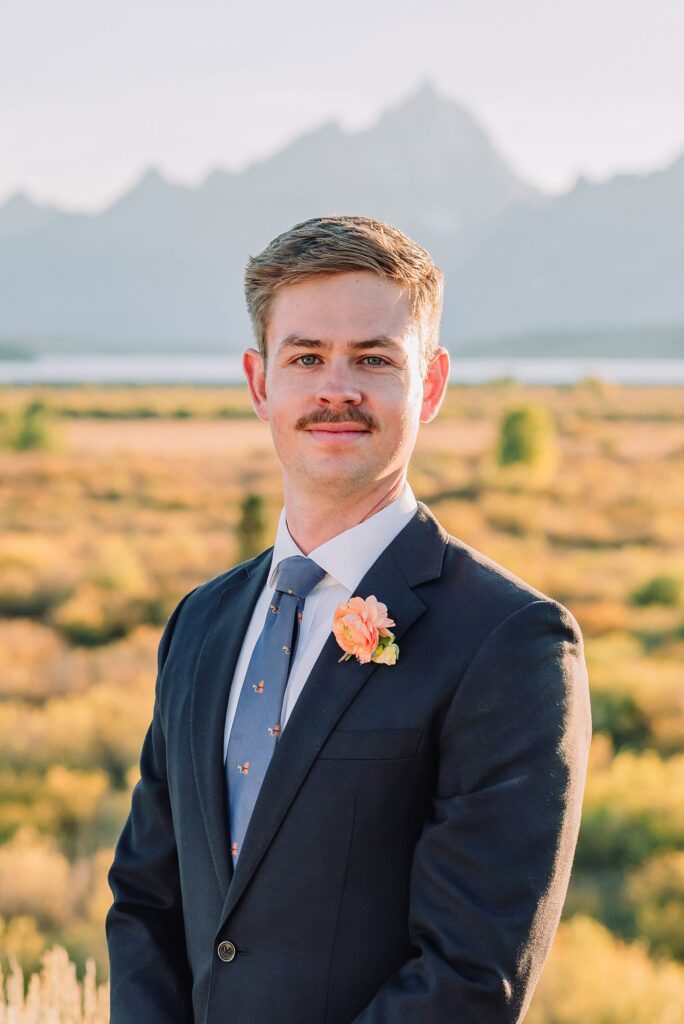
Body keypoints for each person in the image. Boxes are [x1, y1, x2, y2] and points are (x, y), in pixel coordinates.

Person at [106, 215, 591, 1023]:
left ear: (430, 386)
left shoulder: (513, 644)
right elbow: (146, 901)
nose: (337, 388)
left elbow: (470, 975)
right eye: (306, 358)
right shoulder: (201, 623)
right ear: (260, 383)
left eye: (373, 358)